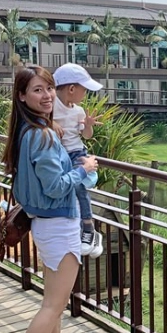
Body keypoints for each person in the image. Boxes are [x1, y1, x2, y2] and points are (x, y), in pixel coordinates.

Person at [0, 66, 98, 333]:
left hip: (46, 224)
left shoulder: (27, 130)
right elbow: (56, 187)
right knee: (53, 306)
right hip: (58, 226)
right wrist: (84, 169)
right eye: (37, 90)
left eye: (49, 88)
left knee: (52, 301)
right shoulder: (42, 135)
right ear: (22, 96)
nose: (46, 96)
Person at [52, 63, 104, 258]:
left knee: (77, 184)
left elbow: (86, 136)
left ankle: (88, 227)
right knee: (65, 187)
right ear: (72, 89)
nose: (85, 94)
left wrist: (88, 125)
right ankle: (81, 230)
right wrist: (50, 122)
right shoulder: (51, 105)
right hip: (58, 155)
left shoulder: (79, 111)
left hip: (76, 153)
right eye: (84, 89)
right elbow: (37, 118)